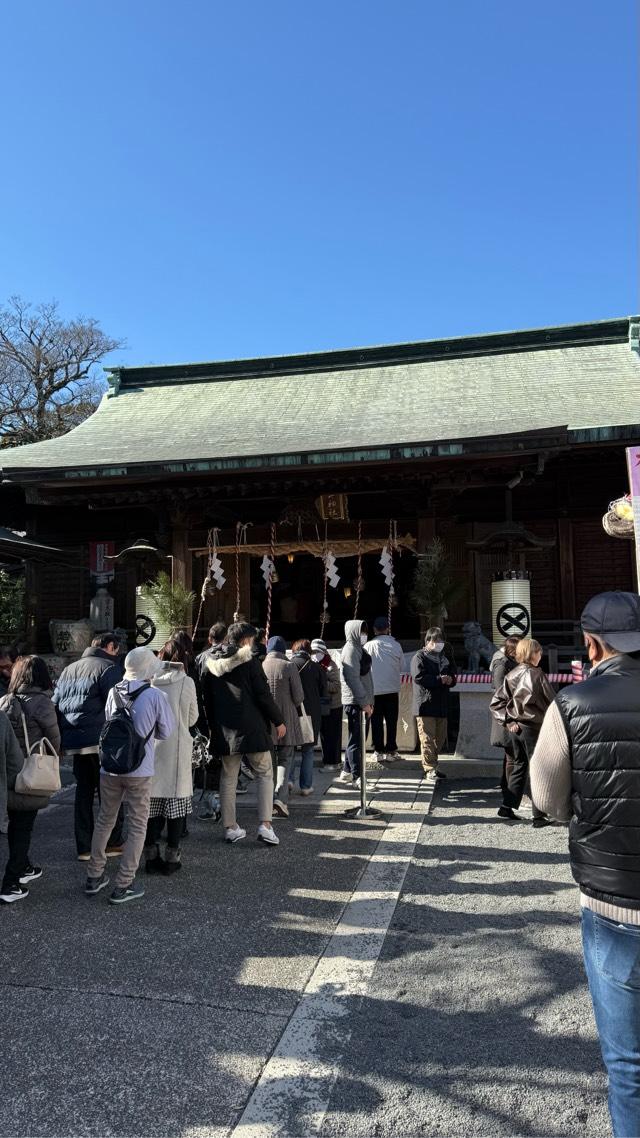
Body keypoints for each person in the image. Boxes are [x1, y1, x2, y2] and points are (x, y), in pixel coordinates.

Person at [530, 592, 640, 1138]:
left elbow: (546, 798)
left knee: (627, 1063)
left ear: (591, 644)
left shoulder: (572, 705)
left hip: (614, 898)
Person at [84, 647, 175, 905]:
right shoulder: (155, 696)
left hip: (110, 767)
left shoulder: (114, 692)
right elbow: (166, 732)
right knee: (137, 825)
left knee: (104, 820)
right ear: (149, 668)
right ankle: (123, 884)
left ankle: (94, 876)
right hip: (139, 769)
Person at [204, 621, 285, 845]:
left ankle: (231, 827)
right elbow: (263, 695)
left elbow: (207, 702)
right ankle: (265, 825)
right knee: (265, 773)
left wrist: (212, 727)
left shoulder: (210, 664)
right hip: (252, 727)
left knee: (228, 778)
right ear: (246, 640)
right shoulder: (250, 662)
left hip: (225, 730)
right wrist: (278, 720)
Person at [53, 632, 125, 860]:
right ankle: (111, 842)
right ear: (110, 646)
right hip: (100, 739)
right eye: (117, 649)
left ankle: (84, 847)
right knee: (111, 792)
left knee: (83, 791)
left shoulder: (69, 669)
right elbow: (117, 706)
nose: (118, 654)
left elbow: (55, 703)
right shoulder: (108, 668)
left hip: (74, 741)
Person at [0, 656, 61, 903]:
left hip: (7, 772)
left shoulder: (5, 699)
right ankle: (11, 883)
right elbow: (54, 739)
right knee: (23, 826)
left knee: (16, 822)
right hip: (31, 772)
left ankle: (24, 867)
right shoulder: (43, 703)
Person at [143, 640, 198, 875]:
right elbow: (193, 717)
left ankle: (150, 857)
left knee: (151, 808)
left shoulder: (148, 680)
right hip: (177, 750)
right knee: (175, 808)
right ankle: (172, 858)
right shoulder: (186, 682)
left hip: (150, 750)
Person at [490, 637, 554, 825]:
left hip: (515, 728)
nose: (541, 655)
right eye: (539, 652)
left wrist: (508, 720)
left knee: (518, 766)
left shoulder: (512, 674)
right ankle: (538, 815)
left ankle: (507, 806)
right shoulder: (537, 675)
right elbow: (552, 701)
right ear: (532, 653)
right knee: (537, 768)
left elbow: (496, 703)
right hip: (533, 727)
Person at [263, 635, 304, 816]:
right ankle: (281, 798)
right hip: (286, 718)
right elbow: (299, 697)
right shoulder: (289, 666)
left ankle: (269, 801)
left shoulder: (261, 666)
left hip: (265, 720)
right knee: (286, 759)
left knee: (268, 763)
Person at [411, 627, 457, 786]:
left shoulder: (446, 658)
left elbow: (453, 675)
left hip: (442, 703)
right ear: (428, 641)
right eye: (435, 641)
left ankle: (434, 766)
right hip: (425, 704)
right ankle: (429, 768)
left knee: (440, 737)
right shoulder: (419, 657)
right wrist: (439, 679)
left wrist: (450, 679)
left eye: (441, 640)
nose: (439, 644)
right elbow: (419, 677)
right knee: (427, 738)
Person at [338, 620, 374, 787]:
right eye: (361, 632)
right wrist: (364, 702)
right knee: (357, 740)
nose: (364, 635)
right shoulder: (351, 650)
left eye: (365, 632)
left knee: (357, 737)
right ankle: (357, 776)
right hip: (356, 701)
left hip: (360, 700)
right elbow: (352, 678)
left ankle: (346, 770)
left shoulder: (357, 648)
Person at [364, 616, 404, 763]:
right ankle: (392, 750)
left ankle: (378, 750)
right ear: (387, 629)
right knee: (392, 720)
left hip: (375, 689)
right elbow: (401, 666)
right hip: (392, 689)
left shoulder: (368, 646)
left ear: (374, 630)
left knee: (376, 721)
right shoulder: (396, 645)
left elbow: (364, 667)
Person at [291, 639, 327, 796]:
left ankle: (288, 780)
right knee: (308, 750)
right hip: (311, 713)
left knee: (290, 749)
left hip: (292, 710)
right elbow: (323, 691)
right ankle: (306, 786)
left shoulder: (289, 664)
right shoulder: (317, 667)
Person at [489, 635, 521, 794]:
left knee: (511, 755)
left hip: (511, 712)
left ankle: (507, 788)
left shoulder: (509, 661)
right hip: (506, 714)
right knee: (512, 756)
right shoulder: (501, 663)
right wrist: (508, 719)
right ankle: (510, 792)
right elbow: (500, 691)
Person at [311, 638, 342, 769]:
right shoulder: (312, 664)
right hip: (320, 706)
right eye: (313, 651)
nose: (315, 654)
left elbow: (336, 686)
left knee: (333, 735)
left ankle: (334, 762)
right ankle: (326, 761)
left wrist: (322, 682)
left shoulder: (331, 665)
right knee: (323, 735)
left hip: (333, 706)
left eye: (317, 651)